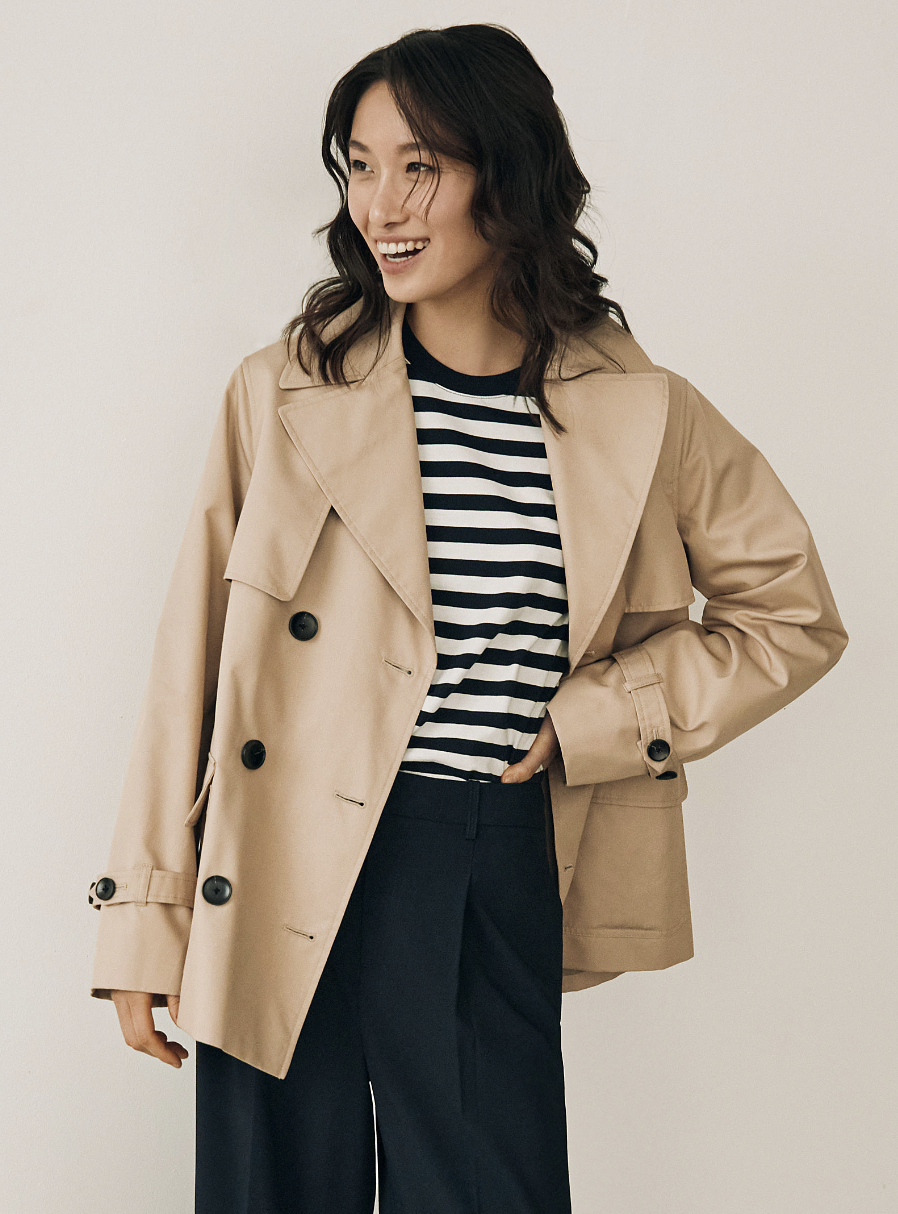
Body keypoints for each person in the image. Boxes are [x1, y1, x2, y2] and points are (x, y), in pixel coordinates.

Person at [88, 23, 849, 1214]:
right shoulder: (283, 389)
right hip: (277, 843)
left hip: (478, 846)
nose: (380, 204)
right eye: (358, 163)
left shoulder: (641, 410)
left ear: (510, 172)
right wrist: (143, 914)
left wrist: (593, 719)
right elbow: (185, 666)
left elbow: (791, 614)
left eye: (420, 166)